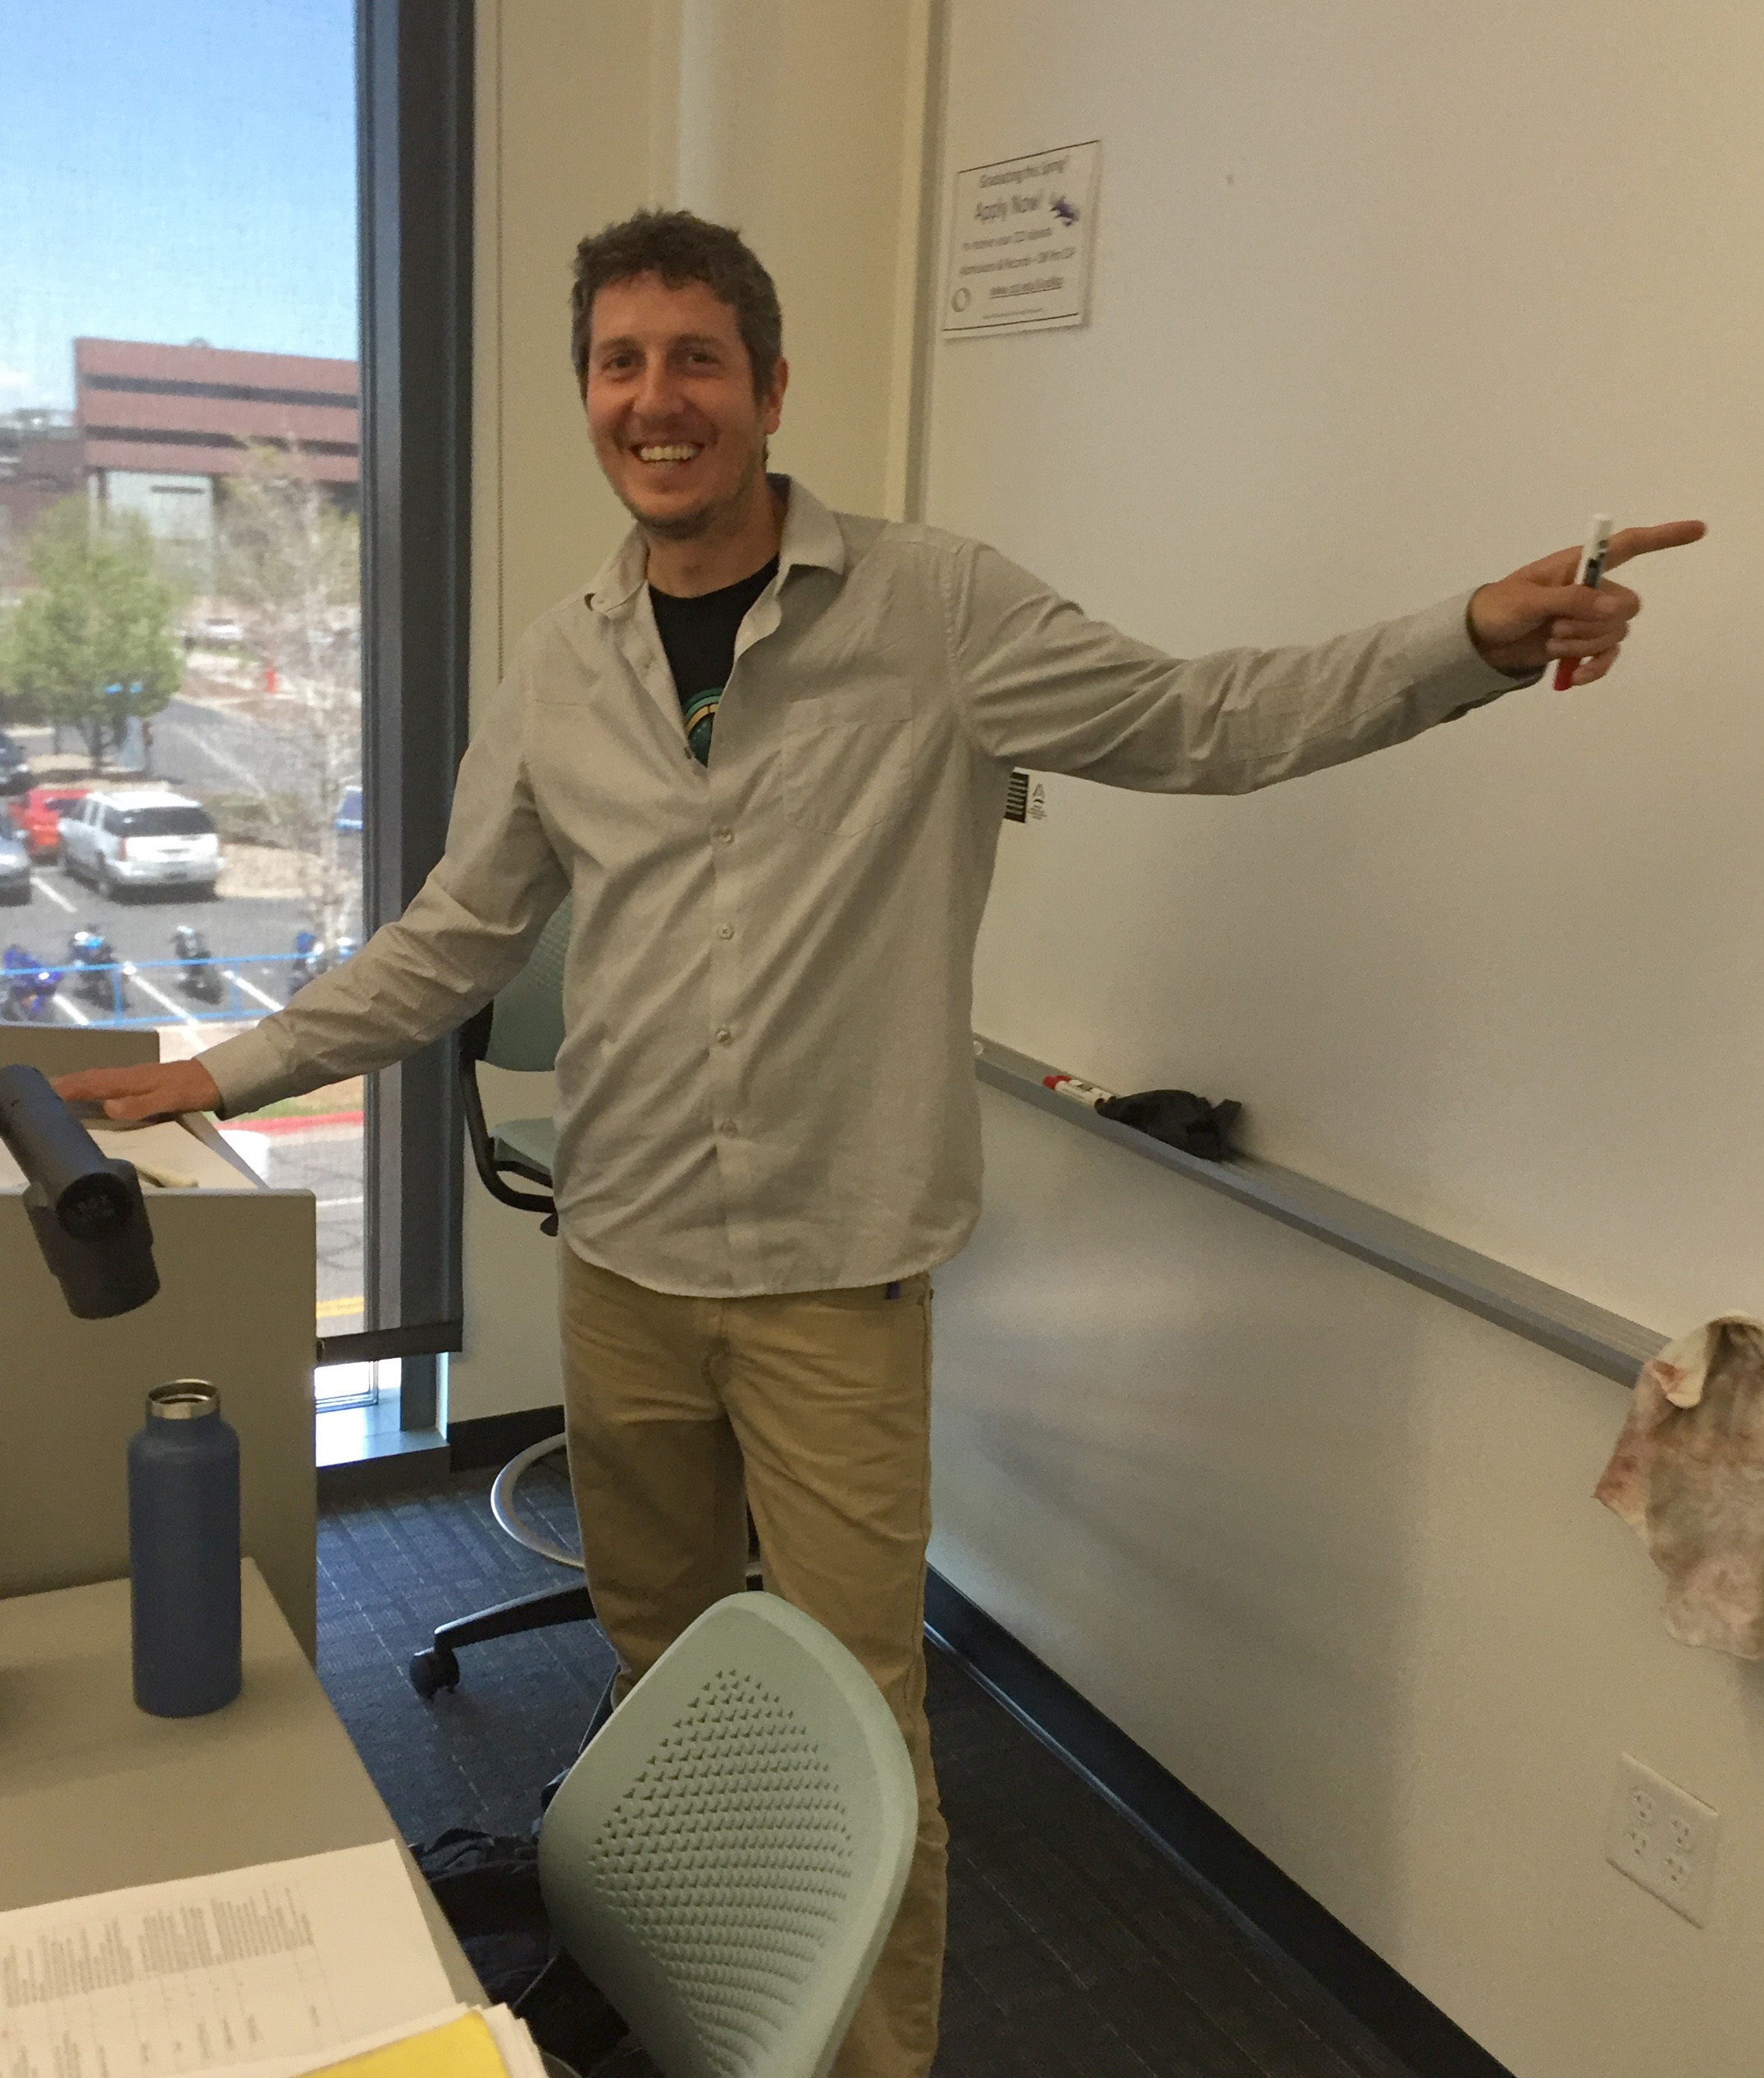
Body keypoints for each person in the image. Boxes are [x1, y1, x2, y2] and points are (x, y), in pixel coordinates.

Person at [57, 209, 1703, 2078]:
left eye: (693, 360)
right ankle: (693, 2020)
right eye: (619, 364)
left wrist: (1465, 640)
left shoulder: (933, 610)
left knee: (853, 1729)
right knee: (665, 1695)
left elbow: (1200, 722)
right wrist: (225, 1070)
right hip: (622, 1263)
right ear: (588, 399)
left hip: (834, 1280)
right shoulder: (562, 662)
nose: (653, 400)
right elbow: (457, 935)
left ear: (766, 390)